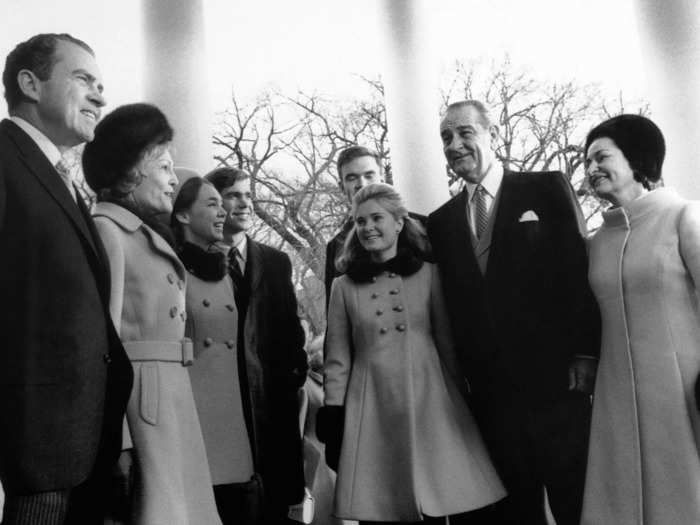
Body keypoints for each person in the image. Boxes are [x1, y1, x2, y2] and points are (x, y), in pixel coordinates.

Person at [426, 100, 601, 525]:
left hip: (557, 381)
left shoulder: (544, 188)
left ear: (493, 132)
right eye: (446, 137)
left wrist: (584, 351)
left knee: (573, 497)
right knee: (517, 508)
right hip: (490, 395)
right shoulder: (441, 221)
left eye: (465, 132)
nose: (454, 144)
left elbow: (578, 271)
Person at [0, 33, 133, 524]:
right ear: (30, 84)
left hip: (83, 449)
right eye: (84, 79)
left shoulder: (65, 180)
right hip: (32, 457)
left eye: (102, 84)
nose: (100, 95)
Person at [320, 182, 506, 524]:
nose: (368, 227)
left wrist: (461, 396)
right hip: (372, 402)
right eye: (360, 222)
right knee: (382, 504)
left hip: (429, 398)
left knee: (437, 496)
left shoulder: (428, 274)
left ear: (399, 222)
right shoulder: (343, 286)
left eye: (377, 218)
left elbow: (445, 341)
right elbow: (337, 358)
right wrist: (334, 412)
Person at [83, 103, 221, 525]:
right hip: (142, 410)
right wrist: (119, 443)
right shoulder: (109, 231)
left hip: (167, 402)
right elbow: (102, 349)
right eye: (163, 166)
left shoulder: (140, 231)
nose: (173, 179)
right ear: (133, 171)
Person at [581, 115, 700, 524]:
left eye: (601, 156)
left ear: (637, 159)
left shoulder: (685, 217)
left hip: (684, 396)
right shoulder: (596, 243)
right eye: (586, 160)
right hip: (615, 400)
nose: (591, 168)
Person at [205, 167, 308, 524]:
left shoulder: (277, 262)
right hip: (222, 412)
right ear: (215, 204)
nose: (245, 203)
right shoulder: (195, 261)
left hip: (274, 412)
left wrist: (289, 381)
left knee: (276, 506)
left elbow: (291, 335)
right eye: (233, 195)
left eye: (248, 195)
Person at [171, 176, 261, 525]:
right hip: (193, 422)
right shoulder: (171, 270)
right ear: (182, 215)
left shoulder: (225, 275)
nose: (224, 211)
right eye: (212, 204)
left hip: (233, 421)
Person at [324, 146, 385, 307]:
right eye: (352, 178)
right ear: (342, 186)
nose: (362, 184)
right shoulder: (336, 248)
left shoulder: (421, 226)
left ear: (382, 177)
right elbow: (335, 318)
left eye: (369, 175)